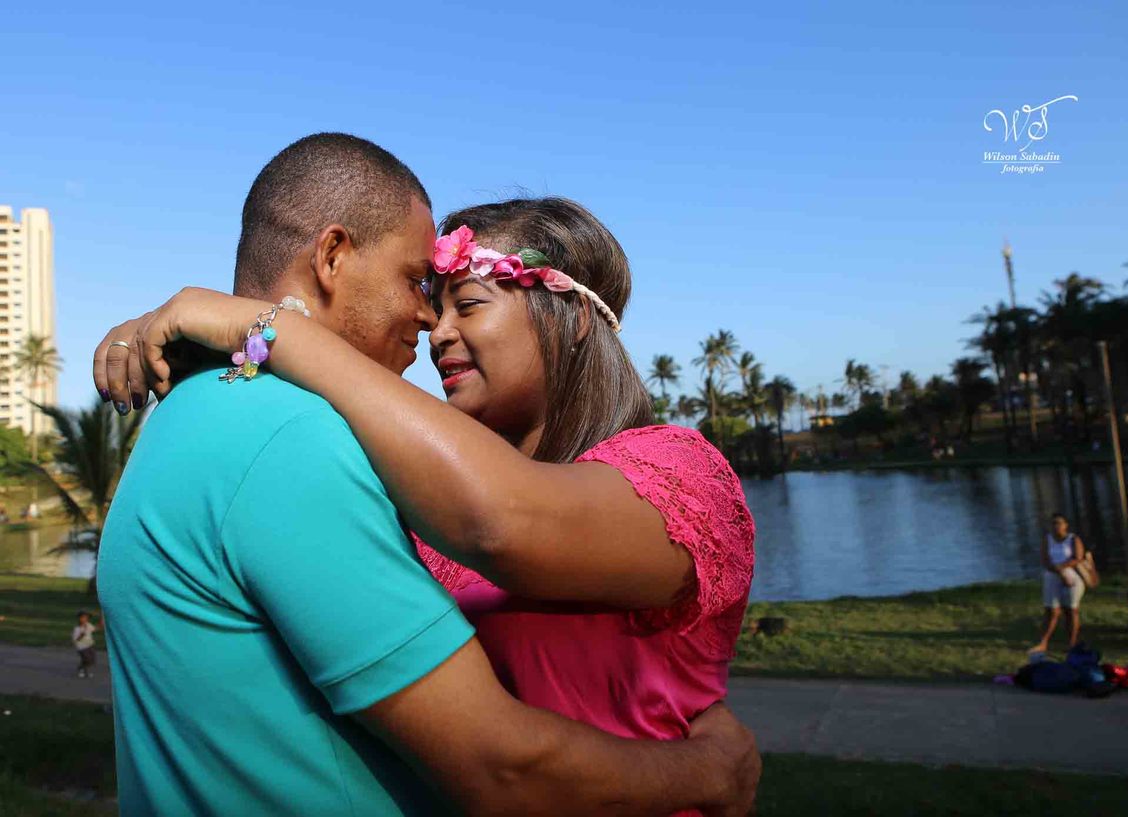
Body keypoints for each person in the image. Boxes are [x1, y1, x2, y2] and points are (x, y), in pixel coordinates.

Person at [93, 134, 758, 817]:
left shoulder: (678, 474)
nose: (434, 327)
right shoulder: (357, 470)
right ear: (331, 257)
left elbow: (509, 522)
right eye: (426, 293)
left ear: (575, 317)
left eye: (466, 303)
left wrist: (264, 329)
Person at [1029, 512, 1086, 653]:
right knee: (1051, 611)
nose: (1056, 526)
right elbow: (1045, 559)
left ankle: (1072, 644)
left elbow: (1078, 558)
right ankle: (1043, 642)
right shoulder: (1047, 539)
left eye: (1059, 523)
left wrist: (1063, 568)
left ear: (1065, 525)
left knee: (1071, 610)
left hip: (1071, 576)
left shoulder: (1073, 539)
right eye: (1053, 523)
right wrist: (1058, 571)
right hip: (1052, 575)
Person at [71, 610, 97, 679]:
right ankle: (81, 669)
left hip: (90, 645)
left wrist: (102, 622)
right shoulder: (77, 628)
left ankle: (83, 669)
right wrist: (82, 634)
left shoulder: (88, 625)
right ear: (79, 618)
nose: (84, 619)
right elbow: (76, 639)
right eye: (82, 617)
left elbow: (95, 629)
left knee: (92, 660)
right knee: (87, 659)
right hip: (81, 647)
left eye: (86, 618)